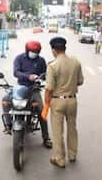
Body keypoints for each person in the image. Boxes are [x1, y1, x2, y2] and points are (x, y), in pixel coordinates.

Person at [1, 40, 52, 149]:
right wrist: (28, 76)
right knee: (5, 99)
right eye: (33, 51)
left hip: (34, 89)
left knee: (41, 110)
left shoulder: (41, 60)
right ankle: (8, 124)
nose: (35, 53)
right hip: (20, 87)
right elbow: (16, 72)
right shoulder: (19, 58)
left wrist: (41, 77)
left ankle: (46, 138)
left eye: (37, 52)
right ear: (27, 50)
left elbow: (45, 73)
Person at [43, 37, 84, 168]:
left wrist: (47, 102)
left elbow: (49, 88)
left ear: (54, 50)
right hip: (72, 100)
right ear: (65, 48)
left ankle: (60, 159)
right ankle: (72, 154)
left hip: (57, 101)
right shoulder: (76, 62)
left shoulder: (52, 66)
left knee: (57, 132)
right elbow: (80, 81)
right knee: (72, 128)